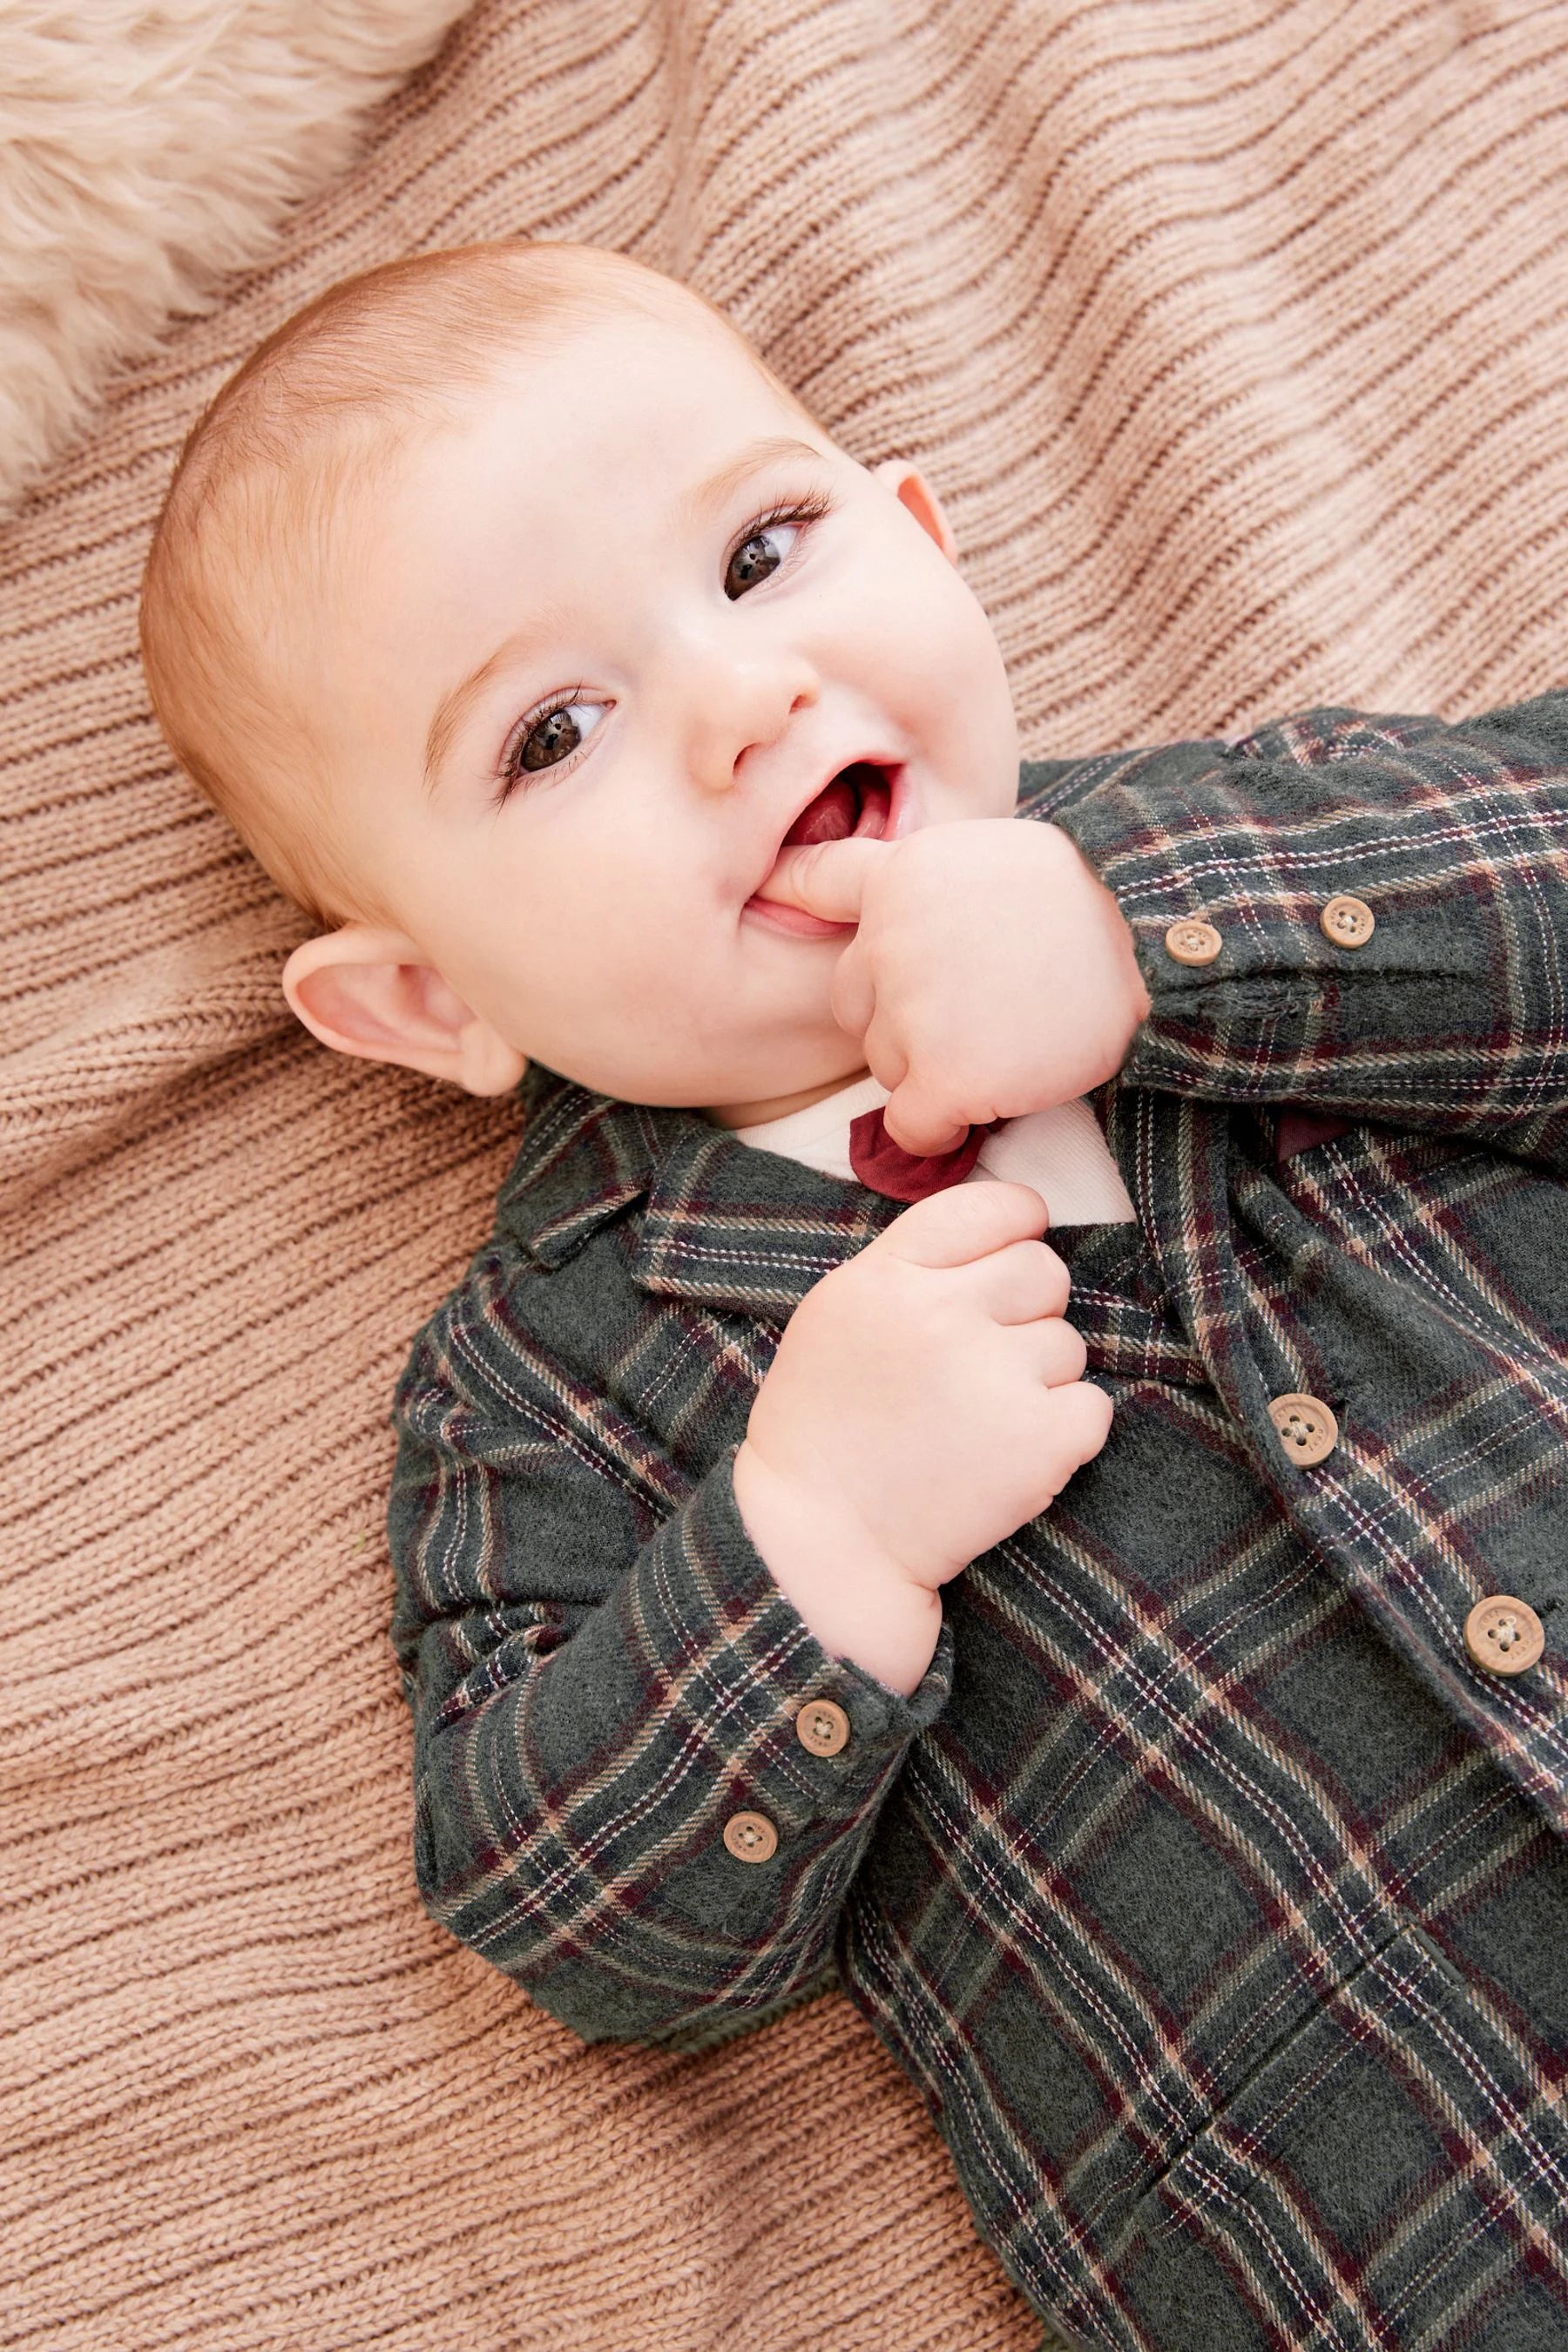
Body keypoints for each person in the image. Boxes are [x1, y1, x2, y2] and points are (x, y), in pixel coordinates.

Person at [138, 240, 1568, 2352]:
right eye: (554, 732)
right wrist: (812, 1543)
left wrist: (1147, 948)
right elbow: (566, 1905)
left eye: (765, 549)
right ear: (425, 995)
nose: (743, 701)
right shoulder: (554, 1384)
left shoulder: (1254, 831)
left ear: (924, 538)